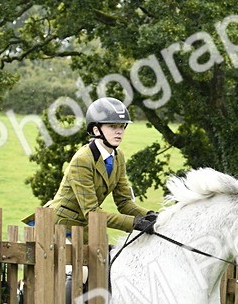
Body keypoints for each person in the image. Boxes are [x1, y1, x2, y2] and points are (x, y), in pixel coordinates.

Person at [23, 97, 155, 233]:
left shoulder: (118, 156)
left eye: (122, 126)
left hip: (85, 226)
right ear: (96, 130)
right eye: (112, 126)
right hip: (59, 226)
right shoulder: (82, 160)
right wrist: (134, 223)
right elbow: (92, 212)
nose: (119, 131)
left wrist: (150, 215)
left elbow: (124, 202)